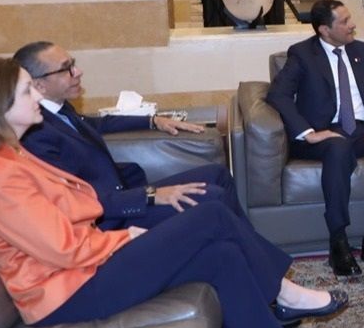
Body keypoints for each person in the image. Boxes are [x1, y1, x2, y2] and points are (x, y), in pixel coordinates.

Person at [0, 58, 343, 328]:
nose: (37, 97)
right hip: (68, 292)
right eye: (26, 91)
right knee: (211, 216)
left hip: (83, 268)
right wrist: (124, 237)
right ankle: (281, 290)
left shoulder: (3, 154)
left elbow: (74, 204)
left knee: (221, 254)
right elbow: (62, 248)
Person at [14, 41, 236, 231]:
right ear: (39, 84)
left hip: (126, 193)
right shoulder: (35, 133)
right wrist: (151, 195)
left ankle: (246, 248)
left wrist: (153, 121)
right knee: (211, 197)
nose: (78, 72)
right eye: (67, 69)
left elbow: (95, 123)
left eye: (73, 64)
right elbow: (75, 200)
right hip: (112, 218)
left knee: (217, 174)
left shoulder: (59, 110)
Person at [267, 0, 364, 277]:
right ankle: (338, 242)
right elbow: (278, 95)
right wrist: (308, 133)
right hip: (325, 134)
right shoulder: (302, 54)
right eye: (344, 21)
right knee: (338, 149)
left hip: (363, 131)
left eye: (350, 18)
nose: (352, 25)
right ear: (324, 30)